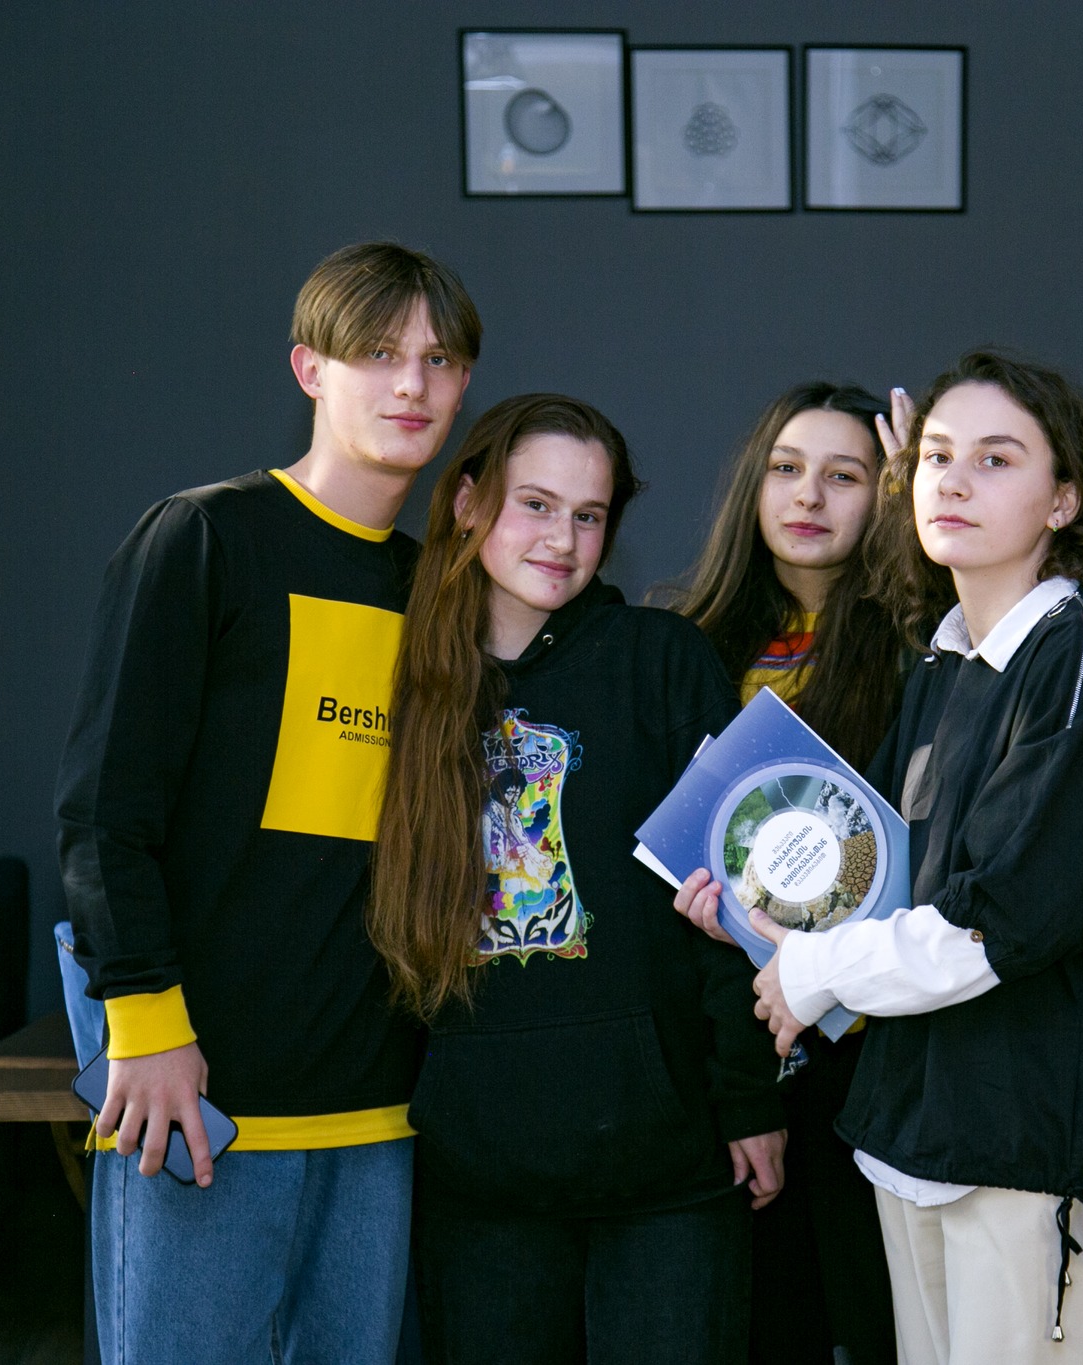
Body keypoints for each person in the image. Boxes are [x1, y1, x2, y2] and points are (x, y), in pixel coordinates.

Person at [676, 349, 1083, 1365]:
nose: (954, 481)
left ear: (1063, 501)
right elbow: (892, 886)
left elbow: (1002, 920)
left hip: (1038, 1153)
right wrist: (761, 927)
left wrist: (810, 970)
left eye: (996, 459)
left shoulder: (1079, 658)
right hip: (920, 1140)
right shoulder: (945, 662)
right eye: (937, 456)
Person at [55, 242, 480, 1364]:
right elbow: (103, 813)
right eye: (378, 352)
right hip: (198, 1100)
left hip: (379, 1117)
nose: (412, 384)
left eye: (440, 360)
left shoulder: (439, 594)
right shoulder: (204, 538)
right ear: (310, 369)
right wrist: (146, 1028)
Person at [369, 393, 788, 1365]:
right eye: (536, 505)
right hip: (477, 1176)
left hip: (667, 1166)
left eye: (589, 515)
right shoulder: (408, 681)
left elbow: (734, 902)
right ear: (467, 502)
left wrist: (749, 1099)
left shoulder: (661, 660)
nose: (562, 540)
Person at [670, 380, 911, 1365]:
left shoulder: (921, 653)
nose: (807, 495)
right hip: (726, 1047)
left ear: (887, 497)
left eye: (844, 475)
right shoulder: (684, 646)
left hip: (872, 1050)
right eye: (785, 468)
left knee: (877, 1321)